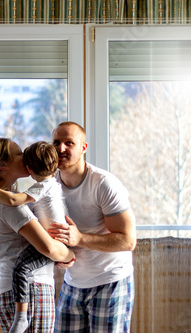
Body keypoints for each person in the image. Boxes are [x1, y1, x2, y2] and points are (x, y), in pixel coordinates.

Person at [0, 138, 75, 333]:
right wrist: (69, 255)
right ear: (3, 166)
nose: (25, 156)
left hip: (10, 286)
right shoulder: (10, 206)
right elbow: (48, 248)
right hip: (31, 287)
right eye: (19, 153)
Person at [48, 121, 137, 333]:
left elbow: (128, 240)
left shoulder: (103, 183)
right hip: (73, 283)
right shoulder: (49, 185)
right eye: (56, 143)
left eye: (69, 143)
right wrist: (57, 255)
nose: (61, 149)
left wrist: (79, 239)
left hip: (110, 282)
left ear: (83, 148)